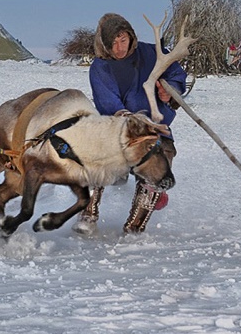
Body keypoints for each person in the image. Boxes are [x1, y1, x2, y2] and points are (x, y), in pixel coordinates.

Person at [72, 13, 187, 235]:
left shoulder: (151, 53)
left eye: (123, 40)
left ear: (131, 37)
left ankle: (135, 227)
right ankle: (87, 215)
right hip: (116, 129)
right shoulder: (101, 66)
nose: (119, 47)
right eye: (113, 42)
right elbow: (107, 100)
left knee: (161, 158)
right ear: (105, 43)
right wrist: (129, 121)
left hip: (154, 128)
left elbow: (175, 72)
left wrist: (170, 91)